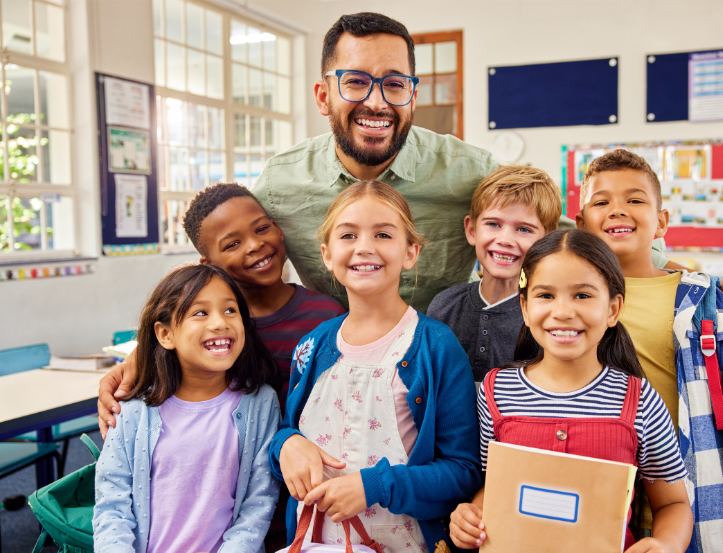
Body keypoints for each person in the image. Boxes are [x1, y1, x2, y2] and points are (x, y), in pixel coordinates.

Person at [250, 12, 673, 313]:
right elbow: (230, 252)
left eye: (395, 84)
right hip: (333, 360)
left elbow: (567, 234)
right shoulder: (280, 182)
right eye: (356, 82)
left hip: (443, 365)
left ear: (413, 96)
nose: (376, 102)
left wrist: (688, 283)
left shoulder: (468, 171)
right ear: (324, 96)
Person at [449, 229, 692, 553]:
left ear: (613, 309)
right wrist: (470, 515)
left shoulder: (640, 400)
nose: (563, 311)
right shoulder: (496, 390)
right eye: (546, 295)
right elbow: (491, 487)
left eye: (582, 295)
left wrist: (666, 544)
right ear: (525, 307)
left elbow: (673, 504)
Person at [271, 180, 481, 553]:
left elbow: (462, 472)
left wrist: (375, 487)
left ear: (411, 252)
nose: (364, 247)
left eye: (383, 234)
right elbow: (288, 434)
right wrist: (285, 444)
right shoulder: (312, 346)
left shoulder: (436, 347)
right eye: (348, 235)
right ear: (327, 254)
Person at [97, 183, 345, 435]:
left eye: (261, 229)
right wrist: (138, 359)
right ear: (210, 264)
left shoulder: (327, 313)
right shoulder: (214, 329)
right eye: (232, 244)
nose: (254, 245)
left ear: (278, 230)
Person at [93, 263, 281, 553]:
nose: (220, 322)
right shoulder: (132, 410)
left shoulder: (260, 403)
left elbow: (259, 502)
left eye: (230, 310)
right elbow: (112, 504)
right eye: (200, 313)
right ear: (165, 334)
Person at [575, 149, 723, 427]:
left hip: (683, 461)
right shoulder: (567, 294)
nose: (617, 210)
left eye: (635, 200)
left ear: (661, 223)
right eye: (601, 203)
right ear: (581, 225)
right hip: (600, 455)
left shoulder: (700, 298)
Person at [427, 165, 561, 381]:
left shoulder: (550, 315)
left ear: (546, 242)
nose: (505, 240)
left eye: (524, 229)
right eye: (493, 224)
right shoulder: (444, 306)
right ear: (472, 231)